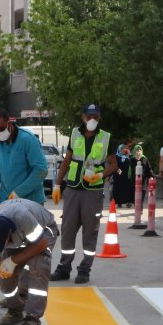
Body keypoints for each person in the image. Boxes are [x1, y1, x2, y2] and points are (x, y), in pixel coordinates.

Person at [52, 103, 119, 284]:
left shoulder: (106, 138)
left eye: (95, 117)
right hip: (73, 189)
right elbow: (67, 161)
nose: (92, 120)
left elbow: (114, 165)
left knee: (90, 233)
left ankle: (84, 270)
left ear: (99, 118)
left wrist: (100, 174)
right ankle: (64, 268)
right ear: (83, 117)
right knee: (67, 231)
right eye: (89, 117)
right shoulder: (75, 134)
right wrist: (58, 185)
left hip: (93, 192)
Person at [0, 198, 60, 325]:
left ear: (9, 234)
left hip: (43, 231)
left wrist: (14, 260)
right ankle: (15, 309)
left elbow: (40, 245)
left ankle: (32, 320)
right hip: (19, 237)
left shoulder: (22, 218)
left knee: (37, 268)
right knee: (4, 276)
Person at [0, 107, 47, 208]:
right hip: (5, 202)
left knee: (31, 225)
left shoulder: (28, 140)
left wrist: (18, 192)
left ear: (9, 123)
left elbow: (41, 170)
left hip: (31, 202)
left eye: (0, 129)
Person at [112, 138, 136, 208]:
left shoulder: (128, 157)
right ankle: (118, 202)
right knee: (118, 189)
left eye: (125, 148)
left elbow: (133, 163)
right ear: (120, 149)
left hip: (127, 176)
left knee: (127, 189)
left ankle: (128, 202)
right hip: (118, 175)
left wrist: (129, 155)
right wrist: (119, 172)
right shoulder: (116, 156)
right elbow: (114, 165)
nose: (124, 150)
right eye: (123, 148)